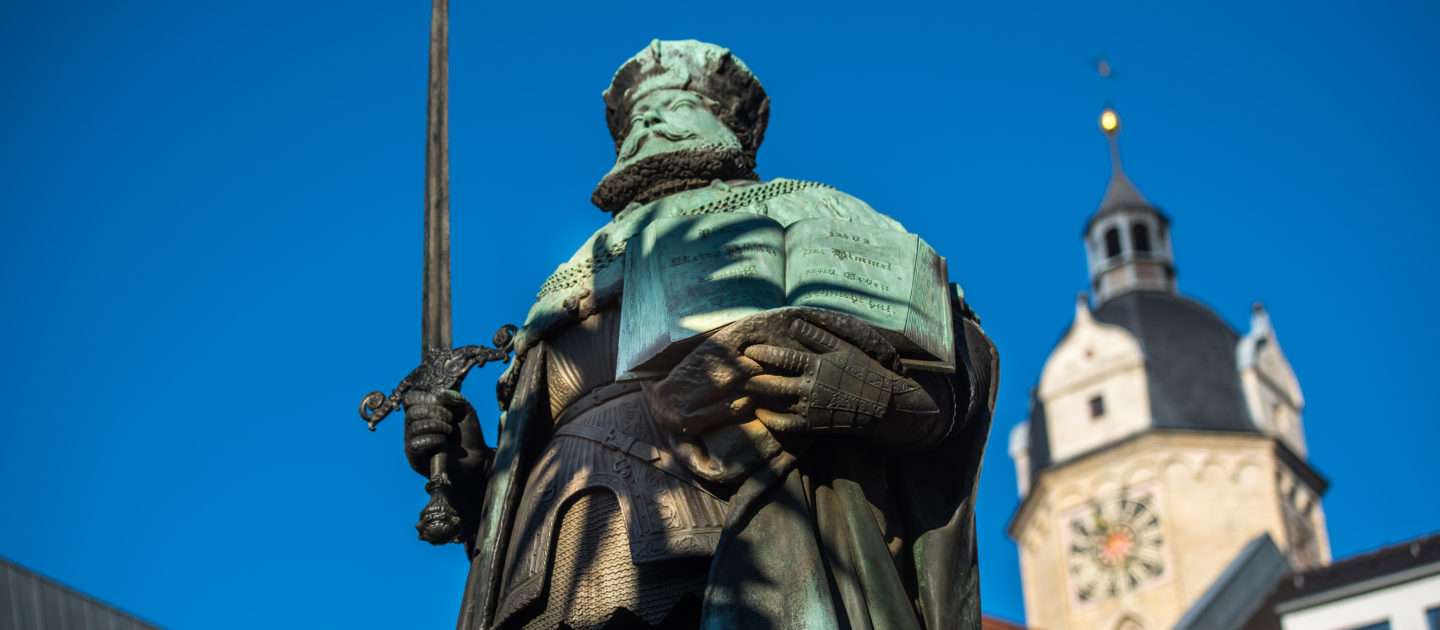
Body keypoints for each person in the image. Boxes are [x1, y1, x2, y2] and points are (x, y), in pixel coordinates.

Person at [401, 40, 998, 630]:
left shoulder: (808, 207)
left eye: (675, 103)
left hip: (738, 533)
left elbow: (952, 351)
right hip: (551, 571)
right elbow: (522, 470)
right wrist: (473, 467)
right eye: (636, 117)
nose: (649, 122)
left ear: (729, 126)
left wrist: (875, 397)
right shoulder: (576, 267)